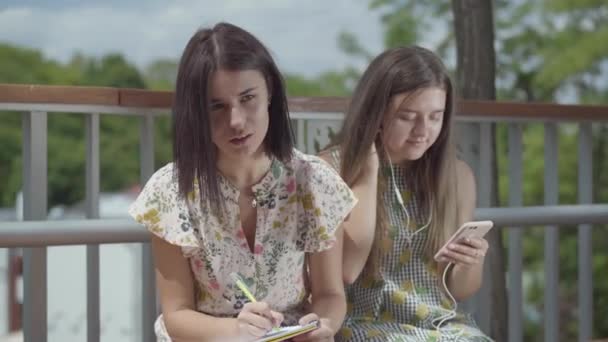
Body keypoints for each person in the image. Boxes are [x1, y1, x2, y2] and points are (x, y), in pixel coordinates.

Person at [129, 22, 357, 342]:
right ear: (195, 111)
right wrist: (234, 330)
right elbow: (176, 314)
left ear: (270, 95)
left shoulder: (313, 181)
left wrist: (322, 325)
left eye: (247, 97)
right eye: (216, 106)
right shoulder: (170, 191)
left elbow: (330, 294)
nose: (235, 121)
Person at [320, 46, 492, 341]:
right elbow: (345, 271)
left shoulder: (456, 176)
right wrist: (369, 169)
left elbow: (459, 290)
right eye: (407, 116)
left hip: (439, 324)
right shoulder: (332, 168)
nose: (422, 130)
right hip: (363, 322)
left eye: (435, 117)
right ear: (376, 113)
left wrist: (471, 261)